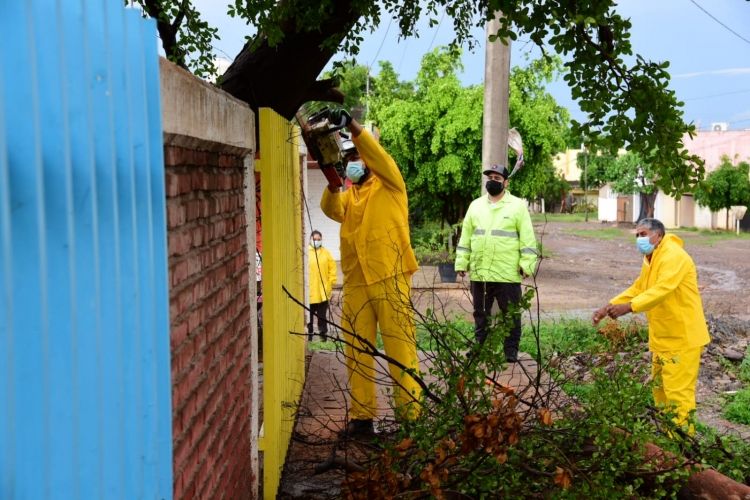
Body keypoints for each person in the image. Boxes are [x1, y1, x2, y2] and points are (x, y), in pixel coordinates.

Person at [320, 107, 422, 437]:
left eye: (357, 155)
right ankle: (362, 419)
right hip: (357, 282)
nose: (353, 161)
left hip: (391, 278)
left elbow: (379, 156)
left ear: (367, 158)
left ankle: (411, 420)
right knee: (356, 350)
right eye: (348, 156)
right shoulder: (350, 197)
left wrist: (351, 125)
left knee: (400, 350)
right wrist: (331, 177)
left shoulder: (390, 183)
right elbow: (331, 208)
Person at [592, 218, 710, 433]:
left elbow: (662, 289)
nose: (640, 239)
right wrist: (609, 306)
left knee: (678, 394)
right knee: (661, 390)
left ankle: (682, 447)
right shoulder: (652, 257)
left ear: (659, 235)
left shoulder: (673, 256)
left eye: (644, 234)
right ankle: (667, 434)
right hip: (663, 337)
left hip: (682, 338)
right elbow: (640, 287)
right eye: (637, 235)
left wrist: (630, 307)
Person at [454, 164, 538, 362]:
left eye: (497, 178)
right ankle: (480, 347)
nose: (492, 181)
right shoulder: (475, 205)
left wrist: (527, 264)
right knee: (480, 314)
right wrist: (461, 262)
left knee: (510, 315)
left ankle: (510, 352)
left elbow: (528, 238)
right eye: (490, 177)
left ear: (506, 183)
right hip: (480, 271)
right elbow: (465, 236)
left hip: (506, 272)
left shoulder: (517, 206)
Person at [308, 230, 337, 341]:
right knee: (308, 317)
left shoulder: (325, 252)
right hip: (310, 290)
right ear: (310, 239)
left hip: (323, 291)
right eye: (315, 239)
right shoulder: (306, 252)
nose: (317, 241)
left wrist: (330, 283)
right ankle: (309, 337)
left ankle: (323, 337)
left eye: (319, 240)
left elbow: (332, 268)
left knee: (322, 316)